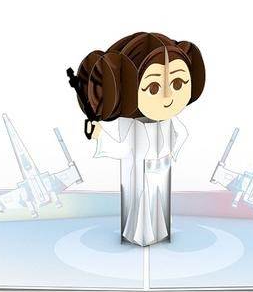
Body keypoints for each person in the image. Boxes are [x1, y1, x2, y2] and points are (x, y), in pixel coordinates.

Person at [67, 32, 205, 246]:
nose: (168, 97)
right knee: (141, 207)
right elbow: (124, 150)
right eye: (154, 87)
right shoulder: (133, 126)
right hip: (140, 173)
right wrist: (98, 135)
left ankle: (161, 232)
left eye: (177, 84)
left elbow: (179, 136)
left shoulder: (168, 122)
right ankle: (139, 236)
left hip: (163, 170)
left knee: (161, 205)